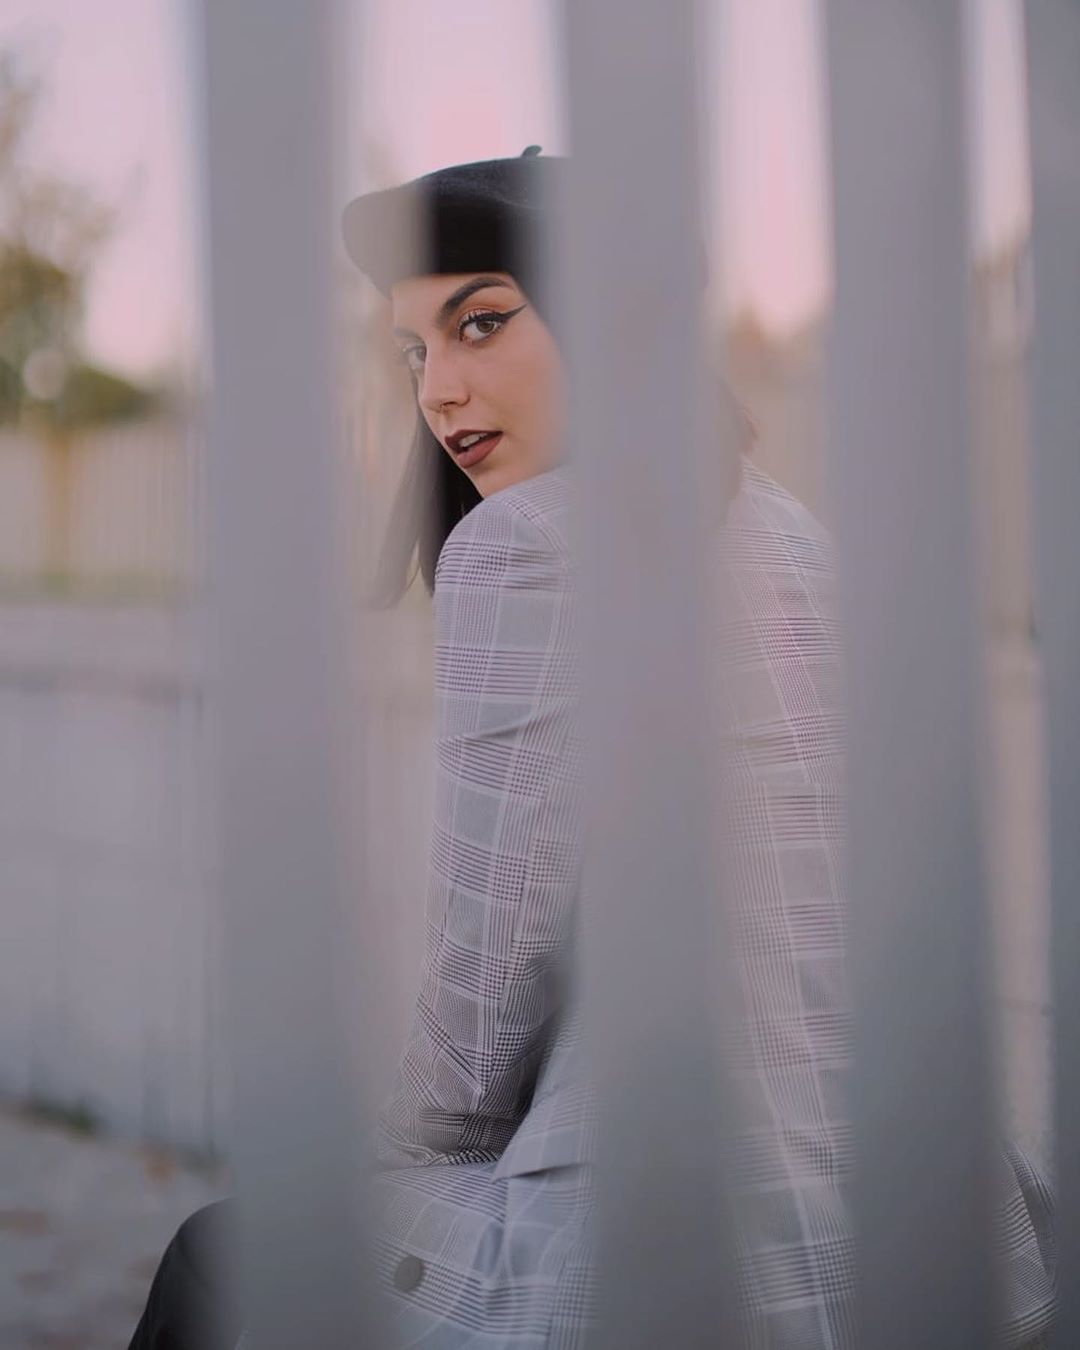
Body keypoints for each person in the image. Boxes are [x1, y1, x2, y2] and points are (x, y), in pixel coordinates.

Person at [129, 149, 1057, 1349]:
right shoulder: (797, 540)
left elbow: (482, 993)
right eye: (413, 351)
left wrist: (380, 1166)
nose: (439, 392)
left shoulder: (528, 543)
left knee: (222, 1261)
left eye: (482, 323)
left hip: (679, 1253)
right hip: (931, 1230)